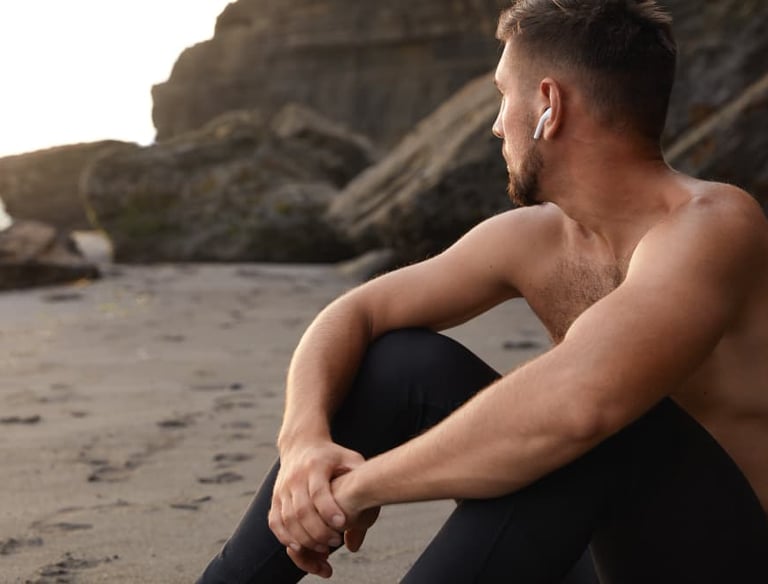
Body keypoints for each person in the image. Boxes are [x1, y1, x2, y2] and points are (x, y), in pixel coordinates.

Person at [197, 1, 768, 582]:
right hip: (597, 556)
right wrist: (302, 443)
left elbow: (580, 405)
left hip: (727, 561)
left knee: (612, 424)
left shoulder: (714, 224)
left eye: (502, 95)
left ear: (548, 105)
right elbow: (356, 311)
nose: (496, 125)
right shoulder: (533, 239)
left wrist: (357, 488)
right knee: (402, 362)